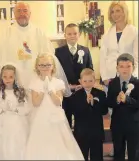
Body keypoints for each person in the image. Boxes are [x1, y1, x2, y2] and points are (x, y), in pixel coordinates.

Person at [25, 54, 83, 160]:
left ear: (53, 66)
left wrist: (51, 90)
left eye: (48, 65)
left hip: (55, 116)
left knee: (59, 142)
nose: (45, 68)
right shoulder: (34, 82)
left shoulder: (58, 82)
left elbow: (58, 102)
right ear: (37, 67)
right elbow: (36, 103)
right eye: (42, 65)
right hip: (40, 116)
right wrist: (43, 90)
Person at [99, 1, 138, 157]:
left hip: (128, 74)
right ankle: (117, 144)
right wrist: (105, 77)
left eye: (118, 11)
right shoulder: (108, 33)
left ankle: (133, 145)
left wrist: (134, 77)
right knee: (113, 109)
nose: (115, 14)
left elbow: (136, 56)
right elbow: (103, 56)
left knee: (130, 108)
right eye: (113, 11)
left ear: (125, 12)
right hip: (111, 76)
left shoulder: (134, 31)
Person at [0, 1, 54, 88]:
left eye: (25, 11)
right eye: (19, 11)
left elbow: (48, 54)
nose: (22, 14)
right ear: (14, 13)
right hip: (14, 78)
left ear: (30, 13)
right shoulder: (7, 33)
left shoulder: (38, 32)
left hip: (35, 77)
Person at [55, 23, 93, 127]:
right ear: (65, 35)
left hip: (81, 89)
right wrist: (67, 86)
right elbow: (56, 72)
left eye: (75, 33)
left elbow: (90, 69)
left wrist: (84, 84)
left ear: (79, 35)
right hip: (65, 90)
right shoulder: (58, 52)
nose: (72, 36)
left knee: (81, 117)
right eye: (69, 33)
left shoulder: (85, 50)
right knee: (66, 117)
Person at [0, 63, 30, 160]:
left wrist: (16, 109)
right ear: (1, 78)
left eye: (11, 77)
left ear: (15, 78)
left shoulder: (20, 92)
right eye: (5, 77)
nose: (7, 79)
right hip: (3, 122)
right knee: (3, 145)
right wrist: (2, 109)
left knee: (17, 145)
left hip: (17, 123)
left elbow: (26, 108)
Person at [70, 68, 108, 161]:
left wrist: (93, 103)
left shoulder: (101, 93)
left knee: (97, 156)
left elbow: (104, 111)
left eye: (90, 80)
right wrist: (85, 103)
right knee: (82, 156)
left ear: (94, 81)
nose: (87, 83)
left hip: (96, 132)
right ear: (80, 81)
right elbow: (75, 112)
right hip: (81, 133)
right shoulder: (75, 95)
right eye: (85, 81)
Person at [107, 54, 139, 161]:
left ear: (133, 67)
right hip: (117, 124)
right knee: (118, 152)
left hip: (134, 124)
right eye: (121, 66)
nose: (124, 69)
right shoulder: (113, 83)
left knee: (133, 152)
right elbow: (109, 102)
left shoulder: (138, 83)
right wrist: (116, 100)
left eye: (128, 66)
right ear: (117, 68)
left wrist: (127, 100)